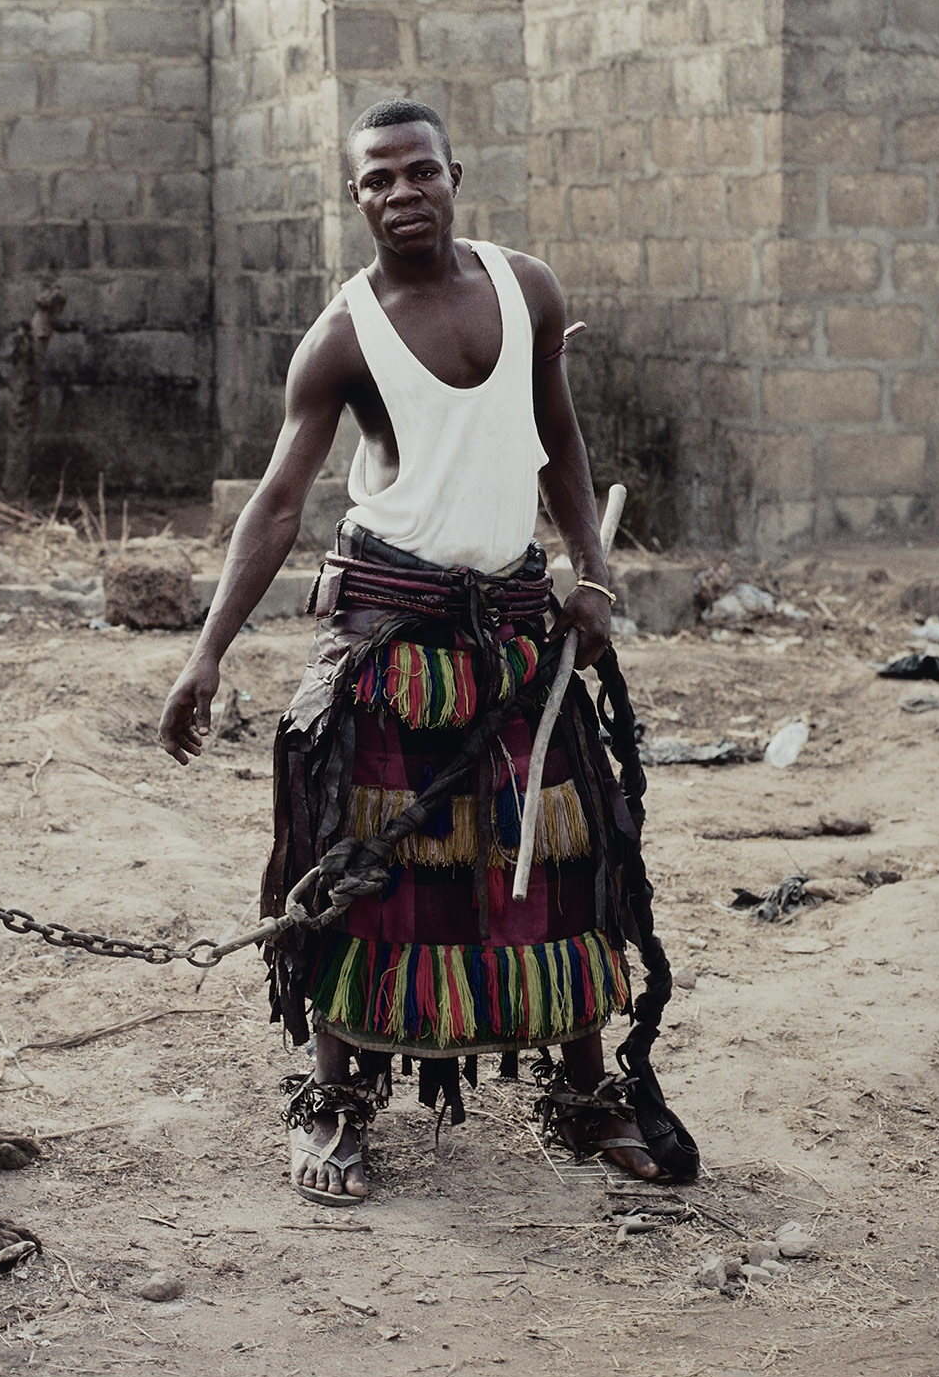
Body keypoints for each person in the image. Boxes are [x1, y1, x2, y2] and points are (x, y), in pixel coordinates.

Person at [158, 99, 688, 1203]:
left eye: (417, 172)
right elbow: (275, 503)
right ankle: (338, 1101)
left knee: (556, 856)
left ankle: (585, 1090)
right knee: (364, 869)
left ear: (454, 174)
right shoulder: (343, 335)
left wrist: (589, 568)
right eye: (375, 181)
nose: (400, 194)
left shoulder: (526, 288)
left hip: (510, 632)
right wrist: (206, 653)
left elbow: (559, 437)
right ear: (353, 198)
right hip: (390, 638)